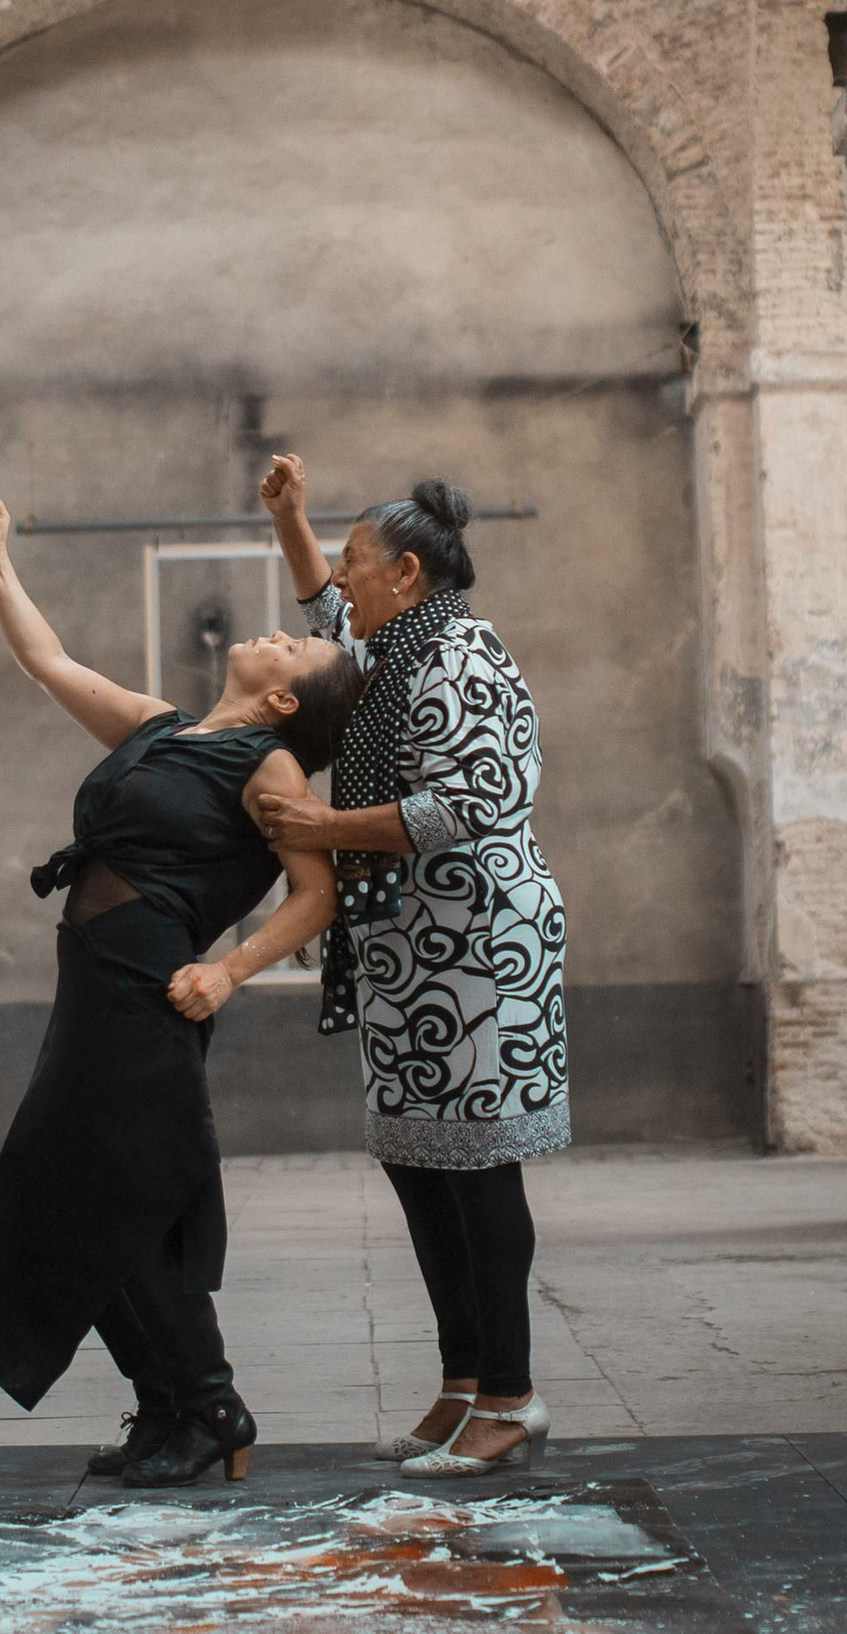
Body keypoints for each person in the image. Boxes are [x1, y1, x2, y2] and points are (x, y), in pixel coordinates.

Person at [0, 495, 360, 1488]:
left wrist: (228, 969)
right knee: (75, 1199)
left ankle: (212, 1404)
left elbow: (318, 895)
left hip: (146, 998)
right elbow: (49, 662)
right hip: (93, 991)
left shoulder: (268, 767)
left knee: (118, 1200)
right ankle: (170, 1404)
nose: (275, 634)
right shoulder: (165, 729)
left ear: (286, 703)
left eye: (294, 649)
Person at [258, 456, 569, 1476]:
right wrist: (294, 520)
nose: (338, 580)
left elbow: (462, 807)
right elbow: (322, 614)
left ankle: (512, 1396)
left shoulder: (461, 659)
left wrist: (318, 823)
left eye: (354, 561)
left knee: (477, 1168)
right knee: (417, 1160)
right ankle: (461, 1382)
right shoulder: (389, 650)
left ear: (404, 570)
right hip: (404, 947)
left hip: (476, 943)